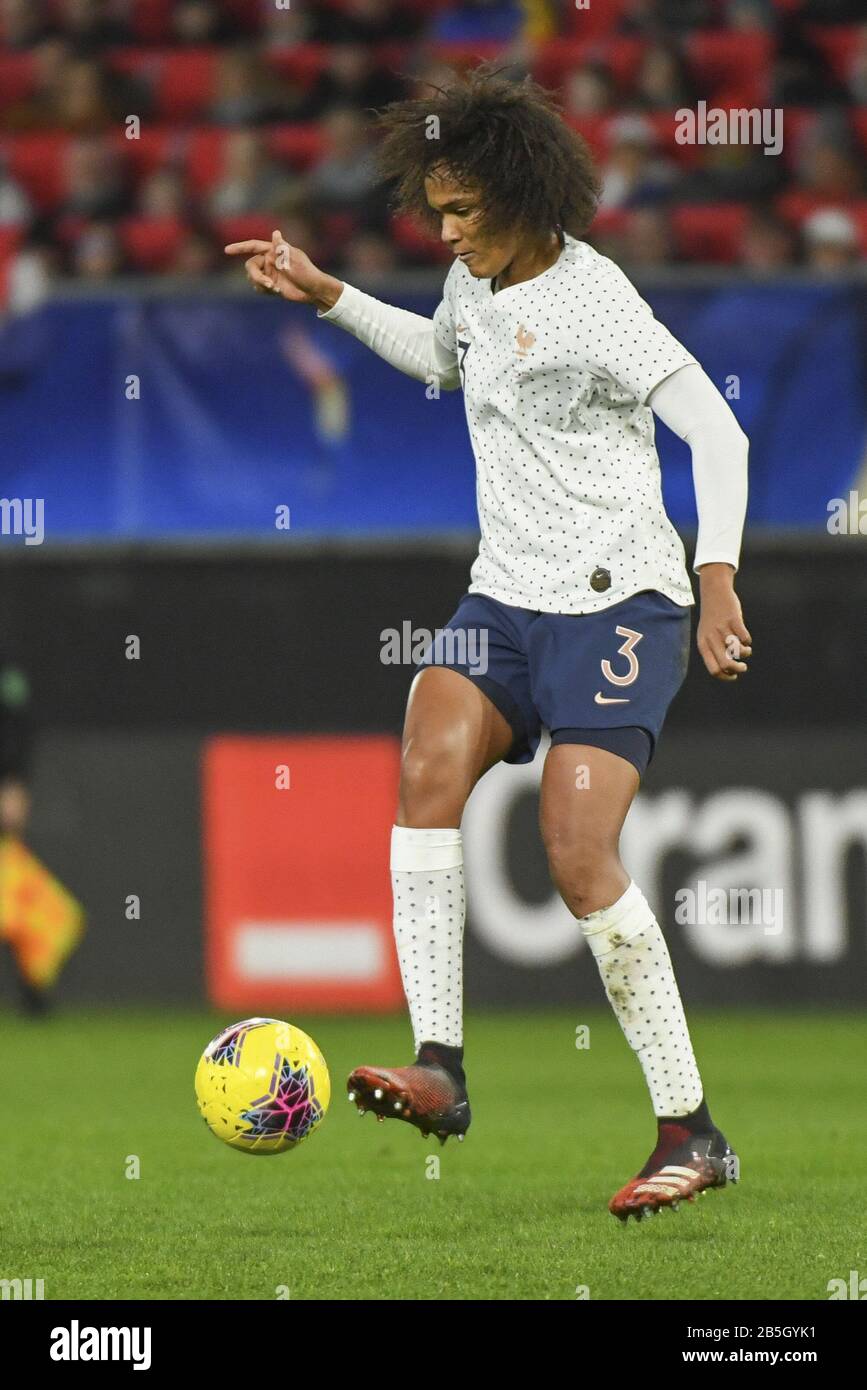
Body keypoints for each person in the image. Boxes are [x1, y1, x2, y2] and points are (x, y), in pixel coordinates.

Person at [225, 65, 751, 1223]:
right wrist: (327, 293)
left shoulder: (596, 298)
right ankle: (441, 1069)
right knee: (424, 764)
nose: (447, 229)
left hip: (623, 601)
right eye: (439, 210)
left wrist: (716, 577)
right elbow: (441, 358)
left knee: (576, 853)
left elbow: (716, 432)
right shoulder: (477, 283)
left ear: (523, 195)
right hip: (505, 598)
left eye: (464, 210)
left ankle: (691, 1130)